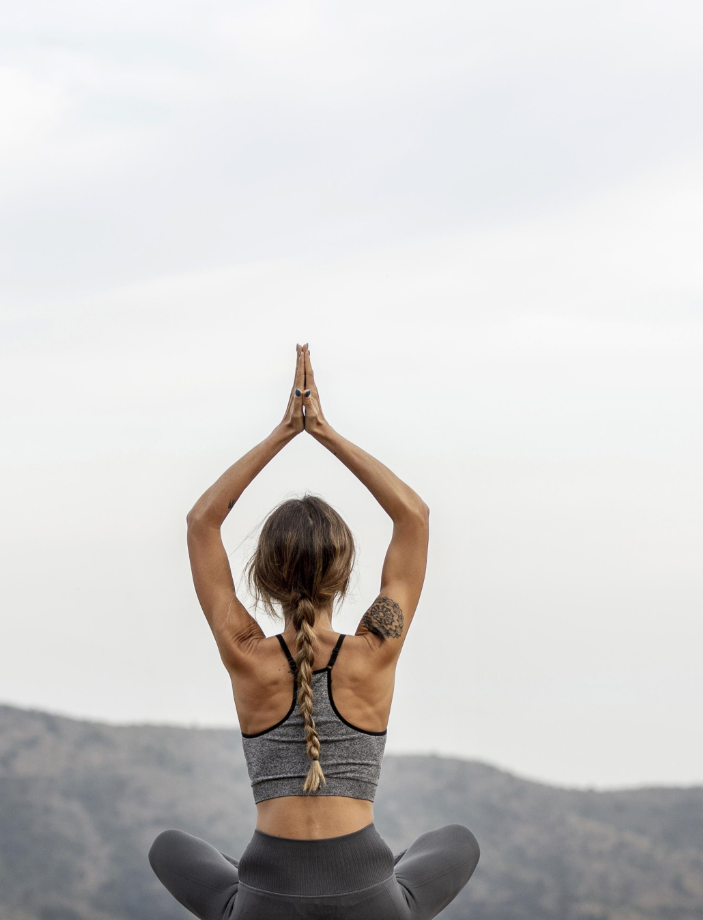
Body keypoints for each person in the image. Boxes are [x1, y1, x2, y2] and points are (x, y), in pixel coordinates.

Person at [150, 345, 479, 919]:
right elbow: (414, 517)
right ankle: (381, 886)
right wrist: (324, 432)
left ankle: (245, 897)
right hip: (369, 899)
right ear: (345, 571)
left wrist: (283, 433)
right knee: (455, 841)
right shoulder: (376, 649)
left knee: (169, 849)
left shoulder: (246, 654)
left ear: (263, 576)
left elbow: (201, 521)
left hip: (265, 901)